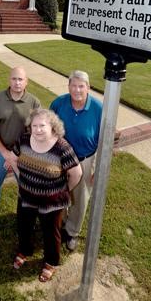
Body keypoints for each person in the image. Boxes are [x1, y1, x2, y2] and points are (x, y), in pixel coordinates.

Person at [11, 109, 82, 282]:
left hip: (52, 201)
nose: (38, 129)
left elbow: (76, 173)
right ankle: (25, 250)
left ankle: (51, 262)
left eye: (42, 125)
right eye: (34, 126)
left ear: (52, 127)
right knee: (24, 226)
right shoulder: (24, 140)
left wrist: (64, 190)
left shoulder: (62, 147)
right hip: (27, 196)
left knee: (51, 233)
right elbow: (13, 158)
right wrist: (22, 180)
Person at [0, 66, 41, 230]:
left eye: (21, 79)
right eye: (14, 79)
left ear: (27, 82)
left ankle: (27, 216)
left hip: (24, 154)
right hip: (0, 151)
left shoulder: (34, 102)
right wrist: (6, 153)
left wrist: (15, 154)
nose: (17, 82)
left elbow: (36, 131)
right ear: (9, 80)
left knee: (27, 186)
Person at [50, 70, 102, 251]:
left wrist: (99, 168)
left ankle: (72, 231)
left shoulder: (98, 108)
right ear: (68, 86)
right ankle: (59, 221)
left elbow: (105, 140)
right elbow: (49, 130)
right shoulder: (59, 103)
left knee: (80, 198)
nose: (77, 90)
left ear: (88, 87)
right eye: (74, 85)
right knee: (59, 193)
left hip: (85, 160)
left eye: (81, 86)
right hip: (60, 160)